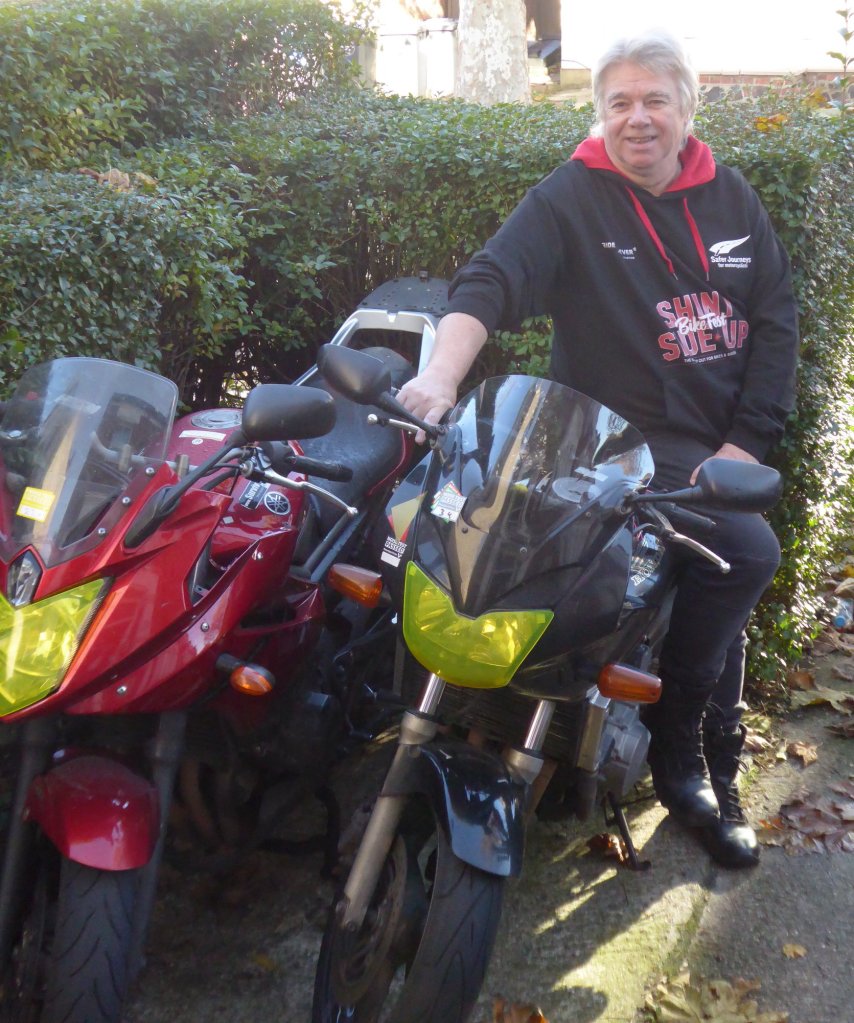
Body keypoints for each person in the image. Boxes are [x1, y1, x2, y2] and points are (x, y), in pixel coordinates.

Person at [396, 30, 799, 868]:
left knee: (744, 551)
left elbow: (775, 322)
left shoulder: (734, 200)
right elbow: (489, 280)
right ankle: (455, 726)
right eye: (619, 102)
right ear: (600, 116)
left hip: (703, 447)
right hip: (596, 437)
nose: (638, 118)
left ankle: (680, 741)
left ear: (689, 108)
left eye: (655, 99)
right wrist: (438, 377)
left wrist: (741, 443)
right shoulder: (571, 195)